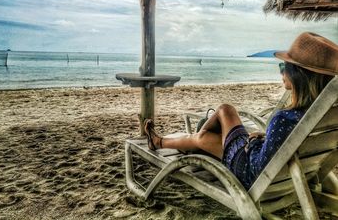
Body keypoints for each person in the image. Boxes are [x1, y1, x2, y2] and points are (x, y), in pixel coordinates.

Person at [144, 32, 338, 190]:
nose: (281, 72)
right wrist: (265, 137)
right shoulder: (321, 115)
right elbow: (285, 145)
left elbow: (259, 168)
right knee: (204, 138)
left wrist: (254, 141)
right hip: (287, 172)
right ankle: (162, 141)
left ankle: (197, 133)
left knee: (225, 110)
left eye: (283, 67)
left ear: (298, 75)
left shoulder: (284, 119)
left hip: (249, 172)